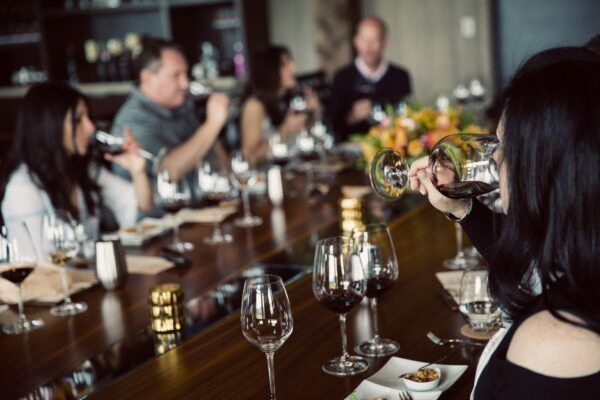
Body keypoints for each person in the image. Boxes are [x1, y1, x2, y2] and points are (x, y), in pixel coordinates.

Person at [410, 47, 600, 399]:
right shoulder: (581, 260)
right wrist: (462, 206)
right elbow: (530, 263)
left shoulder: (553, 343)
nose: (494, 156)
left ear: (548, 171)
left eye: (507, 147)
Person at [0, 83, 153, 249]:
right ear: (50, 125)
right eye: (78, 119)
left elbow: (140, 207)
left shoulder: (84, 169)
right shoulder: (23, 188)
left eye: (88, 117)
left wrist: (138, 172)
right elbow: (38, 267)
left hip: (87, 273)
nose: (90, 127)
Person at [111, 37, 230, 184]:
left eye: (186, 74)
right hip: (164, 207)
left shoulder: (182, 107)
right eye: (176, 75)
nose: (185, 83)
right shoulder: (132, 119)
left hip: (204, 204)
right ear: (147, 77)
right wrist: (212, 125)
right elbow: (168, 172)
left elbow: (218, 161)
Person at [329, 16, 411, 141]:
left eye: (374, 40)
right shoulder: (341, 78)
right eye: (364, 40)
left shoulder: (400, 76)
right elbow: (333, 126)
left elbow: (408, 118)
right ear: (356, 41)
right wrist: (352, 116)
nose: (368, 46)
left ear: (385, 42)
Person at [240, 45, 321, 162]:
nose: (293, 67)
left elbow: (308, 140)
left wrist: (315, 111)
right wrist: (284, 131)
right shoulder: (254, 106)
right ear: (270, 71)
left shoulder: (286, 100)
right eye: (285, 65)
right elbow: (249, 158)